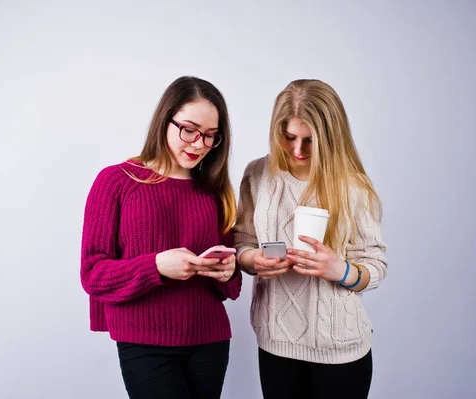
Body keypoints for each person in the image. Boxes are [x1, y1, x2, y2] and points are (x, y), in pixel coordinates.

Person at [81, 76, 242, 399]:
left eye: (210, 136)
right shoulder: (116, 181)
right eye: (189, 130)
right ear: (164, 120)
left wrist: (227, 271)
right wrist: (155, 266)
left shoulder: (214, 191)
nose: (198, 144)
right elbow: (92, 274)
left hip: (210, 340)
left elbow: (232, 285)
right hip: (144, 344)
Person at [233, 79, 388, 399]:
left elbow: (375, 262)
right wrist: (252, 261)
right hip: (275, 341)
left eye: (310, 141)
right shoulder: (258, 174)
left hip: (340, 348)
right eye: (289, 138)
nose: (297, 150)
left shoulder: (353, 185)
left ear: (331, 137)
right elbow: (242, 241)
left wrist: (342, 270)